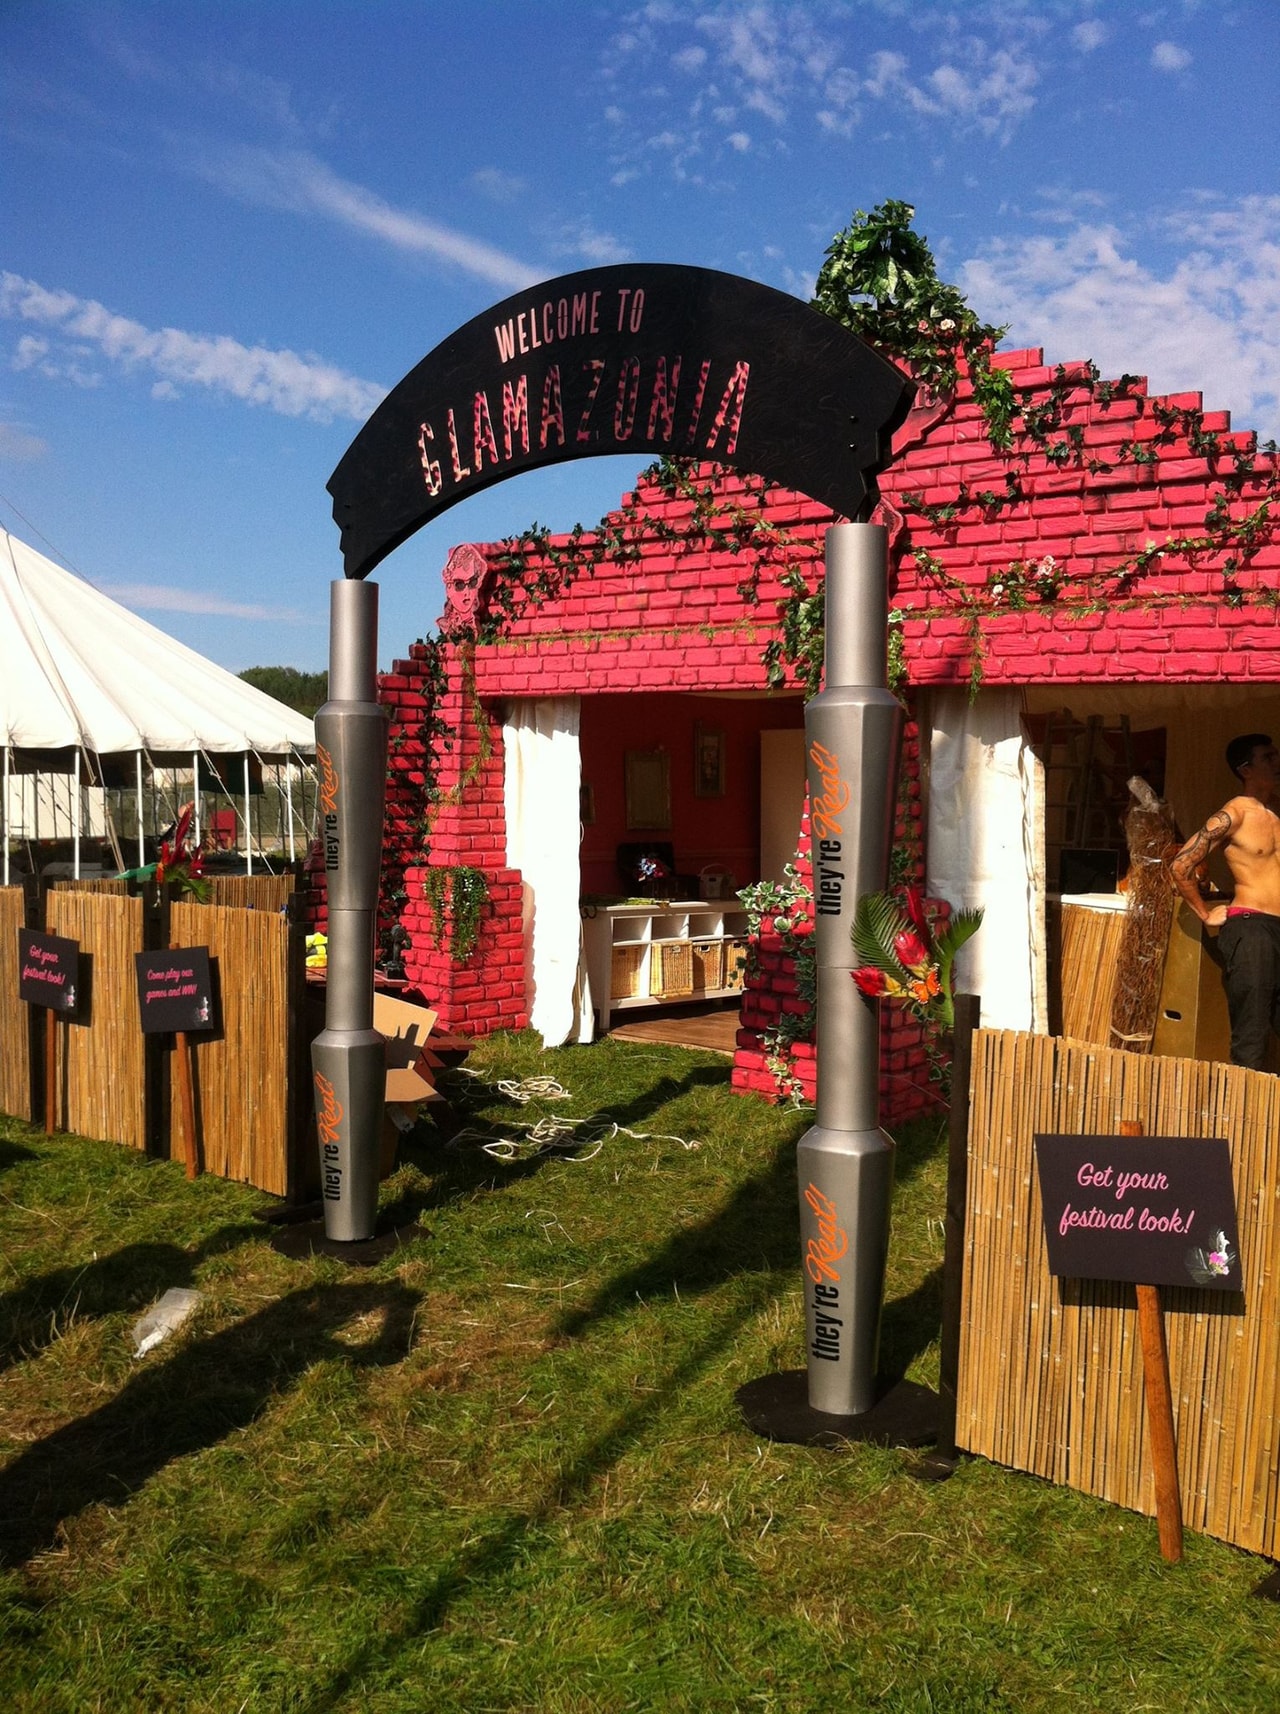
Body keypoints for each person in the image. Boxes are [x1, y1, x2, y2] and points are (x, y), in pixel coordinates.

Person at [1169, 733, 1280, 1070]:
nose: (1277, 763)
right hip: (1253, 926)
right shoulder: (1235, 813)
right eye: (1268, 758)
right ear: (1246, 769)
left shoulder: (1277, 811)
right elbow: (1181, 864)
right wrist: (1204, 913)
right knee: (1253, 1030)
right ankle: (1242, 1120)